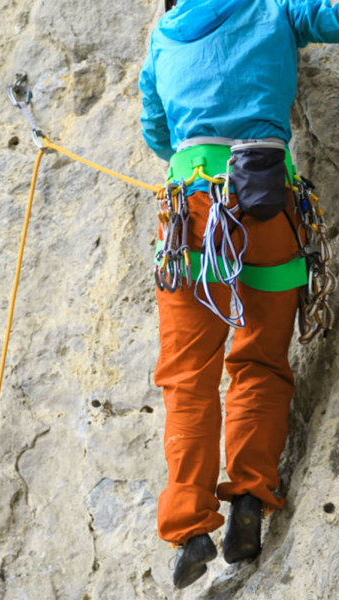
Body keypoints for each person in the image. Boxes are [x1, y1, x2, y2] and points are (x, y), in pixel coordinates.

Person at [139, 0, 339, 589]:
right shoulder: (275, 8)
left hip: (191, 219)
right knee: (259, 359)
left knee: (187, 376)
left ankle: (191, 527)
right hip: (268, 205)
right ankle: (250, 498)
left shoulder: (162, 40)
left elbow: (157, 133)